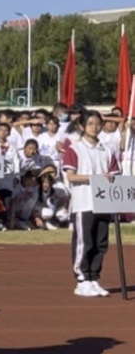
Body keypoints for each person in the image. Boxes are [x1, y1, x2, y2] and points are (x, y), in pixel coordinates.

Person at [62, 110, 118, 297]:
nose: (95, 127)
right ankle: (81, 279)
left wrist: (109, 179)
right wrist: (95, 178)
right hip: (84, 201)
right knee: (84, 241)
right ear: (81, 126)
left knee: (101, 242)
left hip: (103, 202)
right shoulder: (75, 148)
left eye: (97, 123)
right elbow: (71, 176)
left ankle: (93, 277)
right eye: (91, 123)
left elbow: (114, 173)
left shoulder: (106, 149)